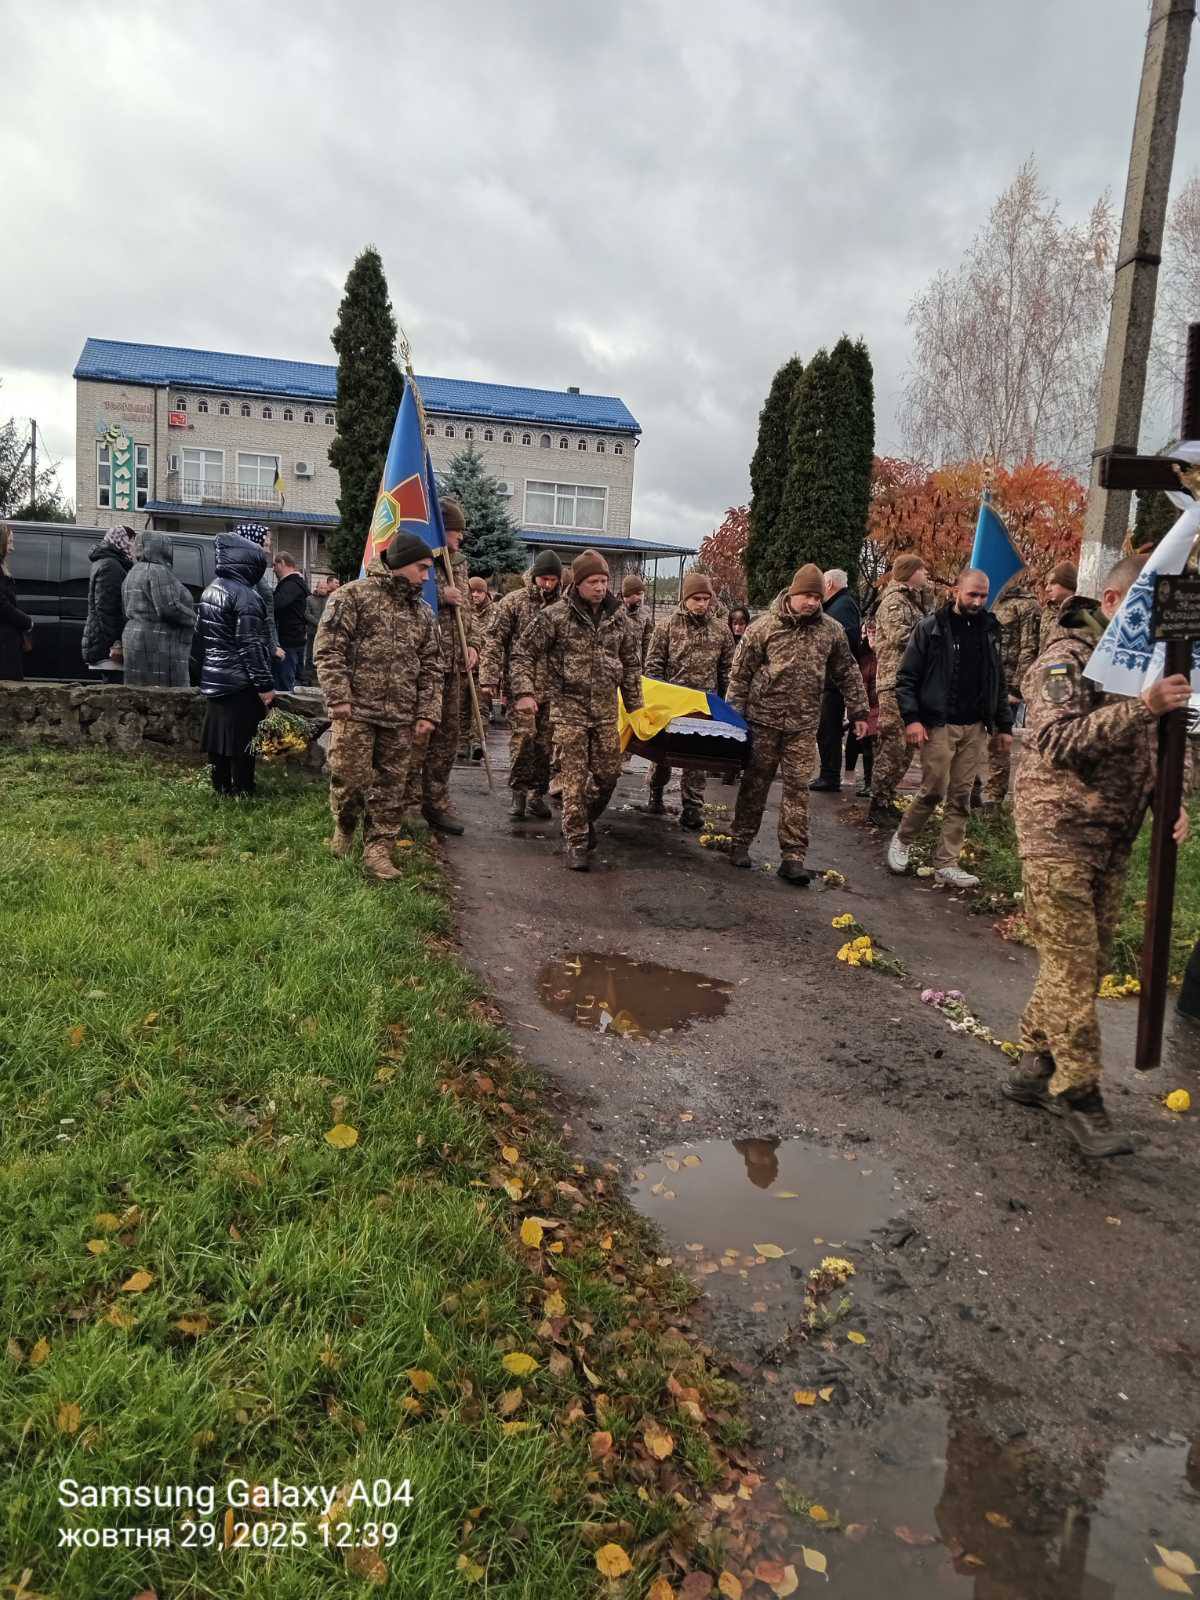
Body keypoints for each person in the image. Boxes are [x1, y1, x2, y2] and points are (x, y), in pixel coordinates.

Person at [1004, 554, 1192, 1156]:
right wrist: (1143, 706)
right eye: (1145, 609)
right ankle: (1080, 1094)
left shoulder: (1156, 665)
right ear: (1112, 603)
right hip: (1056, 829)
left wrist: (1176, 795)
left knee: (1087, 957)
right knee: (1074, 963)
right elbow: (1059, 739)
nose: (1155, 625)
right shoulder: (1065, 660)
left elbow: (1181, 738)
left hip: (1115, 835)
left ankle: (1035, 1064)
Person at [726, 564, 868, 883]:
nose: (813, 603)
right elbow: (741, 675)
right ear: (792, 593)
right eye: (807, 596)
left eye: (818, 597)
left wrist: (859, 711)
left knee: (798, 789)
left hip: (803, 726)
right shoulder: (763, 627)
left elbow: (847, 670)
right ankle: (740, 843)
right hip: (763, 721)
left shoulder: (830, 630)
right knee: (755, 785)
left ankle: (793, 856)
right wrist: (733, 718)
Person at [315, 532, 443, 881]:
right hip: (357, 710)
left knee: (392, 786)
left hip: (401, 716)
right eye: (422, 568)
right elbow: (329, 649)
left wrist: (427, 712)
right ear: (400, 564)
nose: (427, 576)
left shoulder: (423, 612)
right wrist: (338, 696)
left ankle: (379, 849)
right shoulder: (351, 597)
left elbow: (432, 665)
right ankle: (345, 826)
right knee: (351, 779)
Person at [509, 548, 644, 871]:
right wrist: (525, 692)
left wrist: (636, 705)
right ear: (579, 583)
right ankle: (576, 841)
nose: (600, 587)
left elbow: (630, 661)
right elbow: (523, 653)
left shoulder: (618, 617)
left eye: (604, 581)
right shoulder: (556, 616)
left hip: (605, 710)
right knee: (572, 777)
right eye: (593, 581)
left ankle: (583, 818)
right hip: (568, 709)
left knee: (608, 774)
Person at [886, 568, 1012, 888]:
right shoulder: (931, 629)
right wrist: (912, 718)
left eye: (983, 595)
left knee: (961, 795)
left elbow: (997, 681)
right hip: (938, 723)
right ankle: (903, 838)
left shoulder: (989, 631)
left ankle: (947, 861)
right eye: (972, 594)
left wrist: (1003, 726)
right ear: (956, 590)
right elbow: (906, 678)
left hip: (975, 725)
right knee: (934, 789)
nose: (978, 601)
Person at [402, 497, 480, 836]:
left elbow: (468, 613)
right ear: (440, 530)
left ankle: (436, 801)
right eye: (455, 531)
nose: (459, 538)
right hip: (424, 666)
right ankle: (406, 805)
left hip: (454, 665)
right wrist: (437, 594)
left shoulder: (459, 564)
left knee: (448, 739)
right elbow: (404, 599)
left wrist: (474, 644)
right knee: (419, 738)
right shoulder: (420, 562)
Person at [644, 571, 735, 829]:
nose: (702, 604)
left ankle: (693, 807)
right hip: (672, 704)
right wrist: (657, 700)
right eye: (697, 598)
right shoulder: (667, 626)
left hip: (705, 706)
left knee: (697, 759)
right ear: (685, 599)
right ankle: (656, 791)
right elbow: (653, 666)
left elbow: (727, 669)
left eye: (706, 598)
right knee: (663, 755)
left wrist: (727, 704)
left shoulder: (721, 631)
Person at [479, 549, 563, 821]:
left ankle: (537, 794)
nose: (547, 585)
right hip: (520, 684)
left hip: (553, 687)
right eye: (543, 579)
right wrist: (489, 676)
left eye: (553, 579)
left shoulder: (563, 606)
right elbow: (494, 640)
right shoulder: (514, 602)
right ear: (535, 576)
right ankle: (518, 792)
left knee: (545, 745)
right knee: (523, 740)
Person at [195, 531, 276, 798]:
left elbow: (200, 636)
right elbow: (251, 646)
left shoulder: (211, 590)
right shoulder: (247, 597)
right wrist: (265, 686)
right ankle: (243, 788)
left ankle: (219, 786)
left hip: (215, 677)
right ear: (248, 564)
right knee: (243, 739)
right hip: (240, 681)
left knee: (217, 738)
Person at [866, 554, 930, 825]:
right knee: (892, 743)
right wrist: (929, 632)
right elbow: (898, 636)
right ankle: (877, 802)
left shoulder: (912, 600)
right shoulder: (894, 600)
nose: (926, 573)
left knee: (905, 747)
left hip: (911, 682)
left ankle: (886, 796)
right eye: (922, 569)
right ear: (910, 572)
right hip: (894, 682)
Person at [981, 571, 1042, 808]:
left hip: (1004, 682)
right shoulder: (986, 600)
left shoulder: (1026, 606)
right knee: (968, 737)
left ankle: (993, 798)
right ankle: (972, 789)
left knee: (998, 739)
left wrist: (1016, 689)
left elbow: (1029, 648)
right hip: (979, 679)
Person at [120, 531, 196, 688]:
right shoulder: (157, 571)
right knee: (162, 693)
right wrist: (194, 619)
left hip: (135, 638)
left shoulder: (133, 572)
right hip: (157, 644)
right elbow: (168, 608)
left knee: (140, 692)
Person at [811, 567, 863, 791]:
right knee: (826, 730)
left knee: (829, 730)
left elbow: (845, 644)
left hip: (833, 681)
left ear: (829, 584)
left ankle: (830, 776)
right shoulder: (840, 606)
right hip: (830, 680)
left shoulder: (842, 607)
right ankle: (827, 774)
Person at [81, 524, 135, 679]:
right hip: (106, 647)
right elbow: (106, 609)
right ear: (121, 541)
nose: (133, 547)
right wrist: (117, 642)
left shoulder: (106, 561)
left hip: (101, 642)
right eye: (131, 541)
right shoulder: (111, 566)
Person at [230, 523, 284, 671]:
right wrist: (272, 646)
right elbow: (253, 615)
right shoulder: (249, 573)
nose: (269, 542)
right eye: (267, 538)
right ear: (253, 540)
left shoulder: (254, 569)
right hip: (256, 647)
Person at [844, 618, 879, 797]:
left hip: (879, 705)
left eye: (874, 632)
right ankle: (868, 782)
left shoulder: (885, 656)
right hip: (866, 707)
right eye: (867, 632)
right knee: (864, 744)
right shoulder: (863, 657)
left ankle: (871, 783)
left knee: (872, 746)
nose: (870, 636)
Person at [270, 552, 309, 692]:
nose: (273, 569)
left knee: (283, 686)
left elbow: (276, 604)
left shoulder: (291, 584)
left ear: (282, 563)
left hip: (288, 642)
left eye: (275, 565)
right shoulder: (295, 583)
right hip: (294, 639)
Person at [0, 524, 33, 680]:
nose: (12, 548)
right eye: (10, 542)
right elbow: (3, 606)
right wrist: (26, 621)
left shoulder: (3, 568)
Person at [304, 576, 339, 685]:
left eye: (325, 588)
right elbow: (306, 613)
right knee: (309, 655)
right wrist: (318, 622)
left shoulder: (330, 599)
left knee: (323, 655)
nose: (323, 590)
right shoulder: (309, 599)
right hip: (312, 632)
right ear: (317, 588)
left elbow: (333, 612)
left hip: (325, 633)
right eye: (321, 588)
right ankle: (307, 678)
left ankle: (322, 678)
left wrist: (325, 622)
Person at [1039, 560, 1077, 653]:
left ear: (1067, 583)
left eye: (1053, 583)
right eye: (1047, 584)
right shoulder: (1047, 611)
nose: (1047, 589)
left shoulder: (1080, 613)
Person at [621, 573, 654, 667]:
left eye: (642, 594)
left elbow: (648, 644)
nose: (641, 598)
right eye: (637, 594)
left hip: (638, 670)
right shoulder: (614, 614)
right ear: (626, 595)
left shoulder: (645, 613)